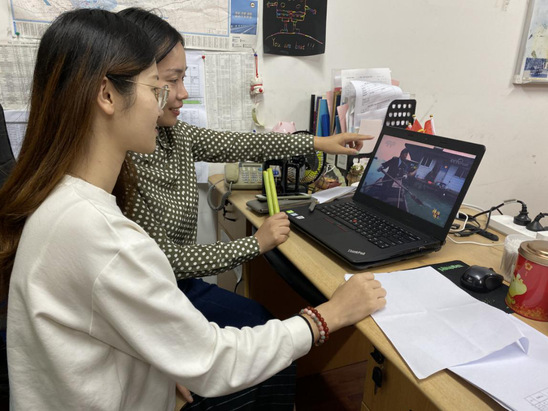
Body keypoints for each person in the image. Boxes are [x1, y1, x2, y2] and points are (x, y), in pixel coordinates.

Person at [0, 9, 386, 410]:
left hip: (130, 377)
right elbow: (214, 362)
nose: (167, 100)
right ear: (107, 95)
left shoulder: (62, 201)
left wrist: (159, 369)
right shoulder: (102, 238)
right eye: (158, 87)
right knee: (270, 353)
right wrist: (329, 316)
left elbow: (240, 144)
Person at [118, 7, 370, 329]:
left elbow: (243, 143)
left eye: (183, 78)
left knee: (262, 318)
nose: (183, 93)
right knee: (262, 323)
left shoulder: (173, 134)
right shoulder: (123, 161)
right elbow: (166, 260)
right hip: (154, 297)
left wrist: (319, 143)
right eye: (169, 81)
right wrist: (256, 243)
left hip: (174, 285)